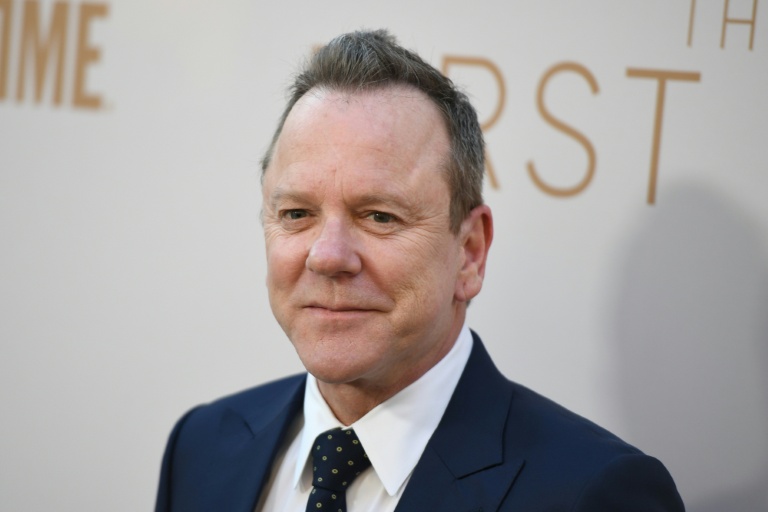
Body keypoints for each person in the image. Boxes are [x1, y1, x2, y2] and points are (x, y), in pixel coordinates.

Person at [155, 29, 684, 512]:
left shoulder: (594, 494)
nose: (328, 256)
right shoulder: (201, 447)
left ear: (470, 252)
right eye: (296, 214)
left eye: (379, 216)